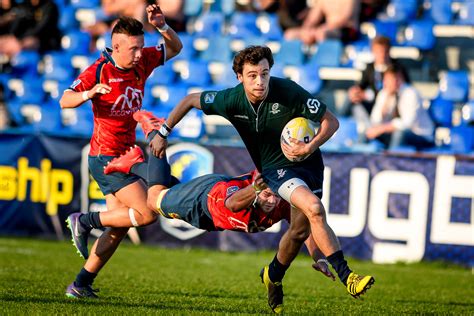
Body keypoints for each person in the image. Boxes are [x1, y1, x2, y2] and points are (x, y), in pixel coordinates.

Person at [144, 45, 375, 313]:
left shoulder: (287, 91)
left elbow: (330, 122)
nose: (260, 81)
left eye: (264, 74)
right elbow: (190, 100)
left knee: (299, 231)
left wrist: (308, 147)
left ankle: (273, 275)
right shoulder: (230, 100)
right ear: (240, 77)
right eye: (252, 75)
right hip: (276, 169)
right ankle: (349, 278)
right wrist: (163, 131)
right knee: (313, 208)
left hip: (309, 164)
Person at [68, 143, 336, 310]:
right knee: (154, 201)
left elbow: (303, 227)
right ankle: (145, 152)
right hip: (204, 202)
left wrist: (319, 257)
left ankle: (136, 164)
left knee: (165, 193)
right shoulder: (251, 194)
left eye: (273, 194)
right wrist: (255, 190)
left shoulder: (278, 201)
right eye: (265, 195)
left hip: (208, 208)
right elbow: (232, 204)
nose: (270, 200)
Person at [59, 3, 182, 299]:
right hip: (105, 158)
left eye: (141, 47)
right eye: (133, 49)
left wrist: (162, 26)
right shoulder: (99, 70)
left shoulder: (143, 63)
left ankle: (80, 284)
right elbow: (65, 100)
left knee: (120, 226)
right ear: (116, 46)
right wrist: (88, 93)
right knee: (148, 212)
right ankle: (85, 220)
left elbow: (175, 48)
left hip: (127, 154)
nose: (140, 54)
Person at [341, 36, 410, 133]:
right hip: (371, 105)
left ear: (389, 51)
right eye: (378, 52)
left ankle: (369, 131)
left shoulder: (396, 69)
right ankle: (337, 124)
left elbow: (403, 89)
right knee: (352, 97)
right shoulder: (369, 68)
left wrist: (369, 95)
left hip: (390, 105)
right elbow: (361, 86)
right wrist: (357, 93)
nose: (382, 55)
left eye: (384, 51)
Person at [365, 64, 435, 150]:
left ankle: (392, 161)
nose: (391, 82)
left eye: (394, 79)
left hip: (421, 135)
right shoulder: (383, 94)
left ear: (399, 78)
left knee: (399, 133)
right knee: (367, 131)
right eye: (388, 79)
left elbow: (407, 123)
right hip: (393, 132)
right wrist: (385, 104)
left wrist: (382, 129)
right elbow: (375, 120)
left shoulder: (411, 93)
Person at [283, 0, 360, 45]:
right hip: (326, 29)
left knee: (321, 34)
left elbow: (345, 18)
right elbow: (313, 18)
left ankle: (325, 62)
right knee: (290, 34)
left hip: (348, 30)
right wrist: (306, 30)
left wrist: (323, 28)